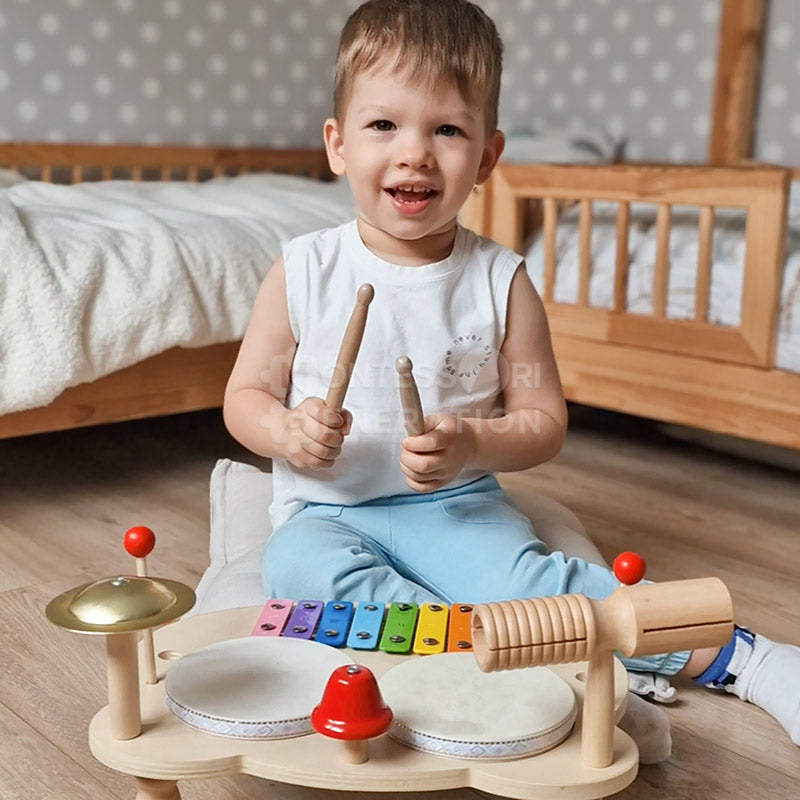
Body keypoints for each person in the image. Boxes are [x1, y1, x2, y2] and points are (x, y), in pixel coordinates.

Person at [224, 0, 799, 752]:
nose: (415, 154)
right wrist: (287, 432)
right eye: (383, 126)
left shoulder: (502, 280)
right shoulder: (303, 269)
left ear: (488, 157)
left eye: (447, 130)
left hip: (455, 505)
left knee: (533, 585)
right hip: (327, 512)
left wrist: (471, 444)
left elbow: (543, 422)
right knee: (297, 575)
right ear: (336, 144)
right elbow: (244, 400)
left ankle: (743, 658)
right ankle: (508, 656)